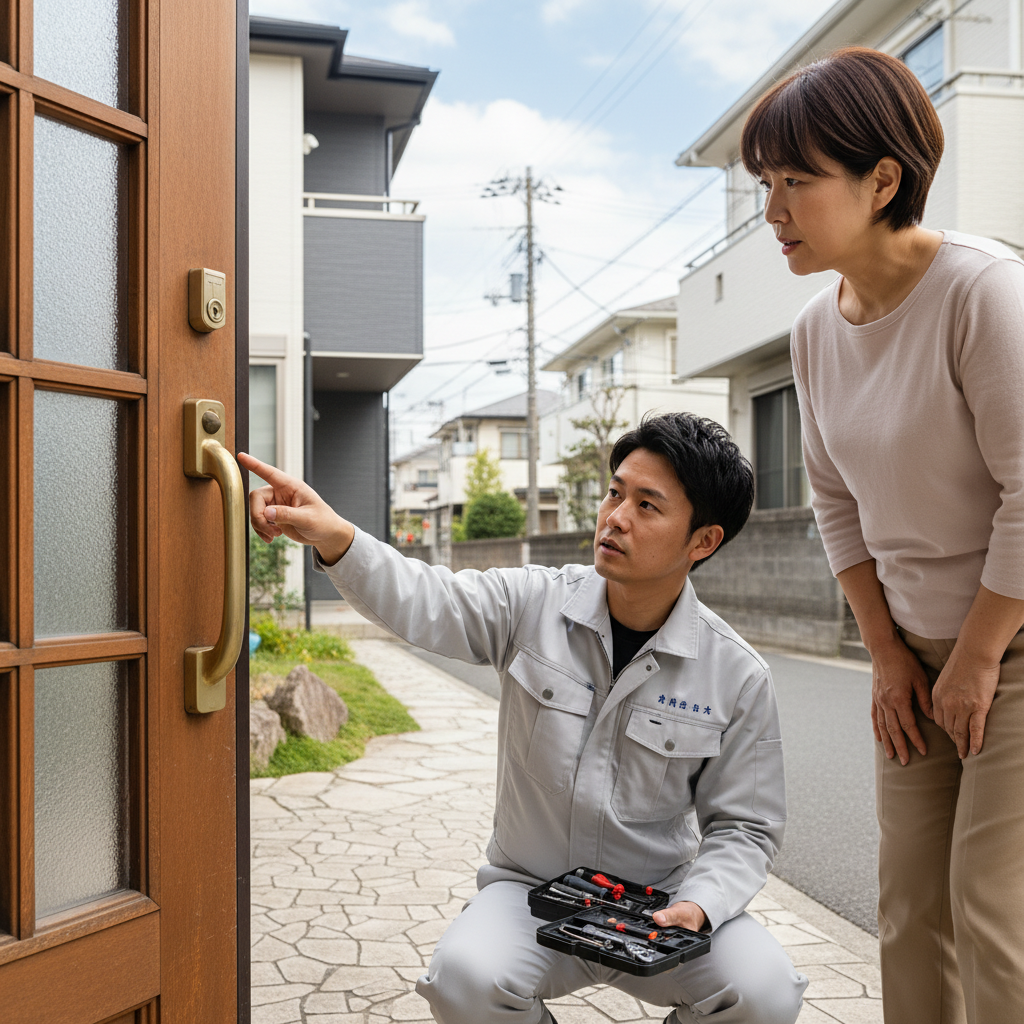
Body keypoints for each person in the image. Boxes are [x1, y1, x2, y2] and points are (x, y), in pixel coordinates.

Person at [239, 412, 808, 1024]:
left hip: (658, 906)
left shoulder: (736, 674)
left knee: (765, 991)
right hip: (530, 894)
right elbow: (429, 599)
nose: (615, 516)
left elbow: (745, 827)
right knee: (462, 981)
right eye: (616, 492)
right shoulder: (534, 602)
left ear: (703, 541)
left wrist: (700, 902)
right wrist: (335, 537)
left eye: (648, 505)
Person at [741, 46, 1024, 1024]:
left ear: (882, 180)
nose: (770, 210)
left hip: (1013, 646)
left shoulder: (982, 291)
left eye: (795, 181)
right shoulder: (816, 330)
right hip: (911, 652)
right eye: (762, 183)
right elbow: (833, 502)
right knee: (909, 907)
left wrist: (978, 655)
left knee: (991, 910)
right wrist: (887, 654)